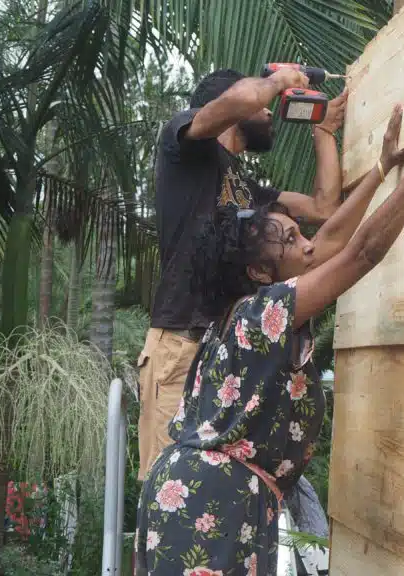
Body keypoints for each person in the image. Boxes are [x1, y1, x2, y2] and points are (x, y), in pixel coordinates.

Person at [134, 107, 404, 575]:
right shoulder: (262, 313)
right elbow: (361, 253)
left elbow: (330, 238)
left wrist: (384, 168)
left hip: (205, 493)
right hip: (208, 498)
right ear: (259, 272)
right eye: (290, 240)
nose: (306, 244)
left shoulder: (241, 317)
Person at [137, 66, 349, 483]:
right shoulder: (184, 147)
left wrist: (323, 133)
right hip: (181, 343)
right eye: (262, 104)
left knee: (213, 490)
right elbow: (246, 100)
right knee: (166, 492)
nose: (270, 112)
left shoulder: (247, 188)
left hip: (222, 351)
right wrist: (278, 79)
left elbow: (325, 208)